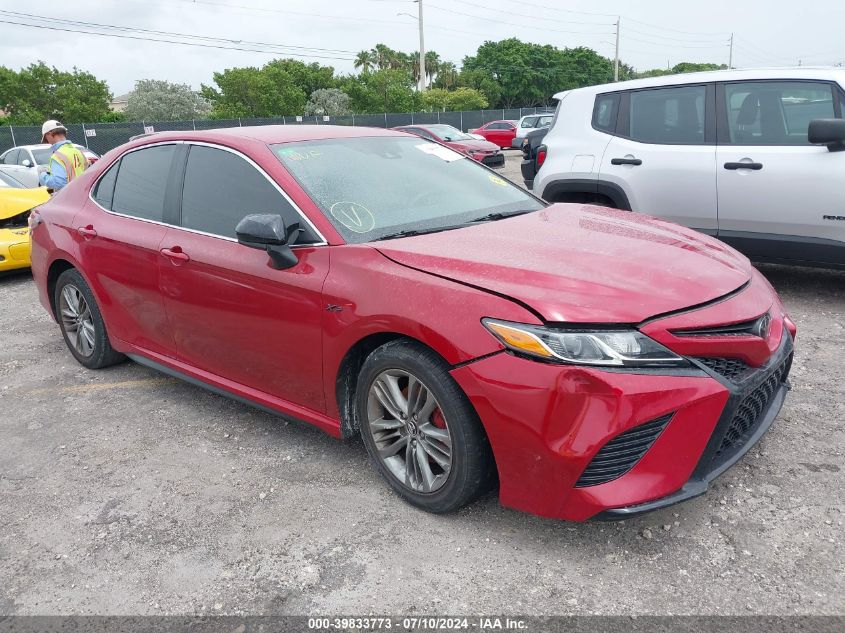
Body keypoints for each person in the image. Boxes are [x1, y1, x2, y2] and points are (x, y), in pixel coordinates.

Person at [38, 120, 87, 191]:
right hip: (82, 194)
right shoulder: (78, 152)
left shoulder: (57, 156)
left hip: (68, 197)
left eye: (46, 138)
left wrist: (43, 176)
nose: (48, 142)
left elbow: (59, 183)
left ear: (49, 134)